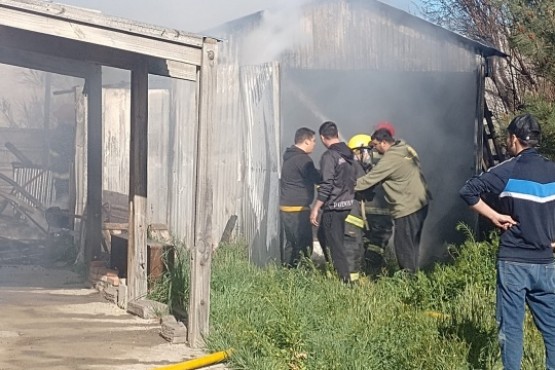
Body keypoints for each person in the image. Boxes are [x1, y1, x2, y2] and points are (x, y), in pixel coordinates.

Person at [459, 113, 555, 370]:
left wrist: (495, 216)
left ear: (514, 139)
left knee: (511, 330)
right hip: (545, 262)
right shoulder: (552, 170)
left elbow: (467, 191)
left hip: (513, 261)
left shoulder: (508, 169)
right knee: (553, 329)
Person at [355, 128, 430, 273]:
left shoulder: (390, 158)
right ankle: (414, 275)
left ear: (384, 142)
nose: (374, 149)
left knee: (403, 245)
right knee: (412, 244)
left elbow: (369, 179)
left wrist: (345, 186)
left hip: (408, 207)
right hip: (420, 204)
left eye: (375, 145)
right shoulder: (406, 149)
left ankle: (408, 281)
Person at [310, 121, 357, 282]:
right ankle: (335, 271)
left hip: (333, 207)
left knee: (335, 246)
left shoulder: (329, 156)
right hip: (346, 205)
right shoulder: (349, 154)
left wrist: (316, 207)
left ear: (323, 138)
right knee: (325, 236)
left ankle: (344, 282)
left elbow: (327, 184)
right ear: (337, 133)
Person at [347, 133, 394, 277]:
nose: (354, 157)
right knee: (372, 243)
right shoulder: (365, 164)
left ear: (365, 150)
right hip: (373, 212)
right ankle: (371, 271)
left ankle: (372, 271)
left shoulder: (378, 162)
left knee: (376, 243)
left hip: (379, 211)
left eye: (356, 152)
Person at [280, 127, 321, 267]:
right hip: (298, 210)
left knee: (291, 244)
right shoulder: (303, 160)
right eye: (314, 141)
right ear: (306, 141)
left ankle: (288, 272)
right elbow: (317, 177)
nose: (315, 144)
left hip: (287, 208)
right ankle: (300, 274)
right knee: (303, 245)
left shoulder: (290, 156)